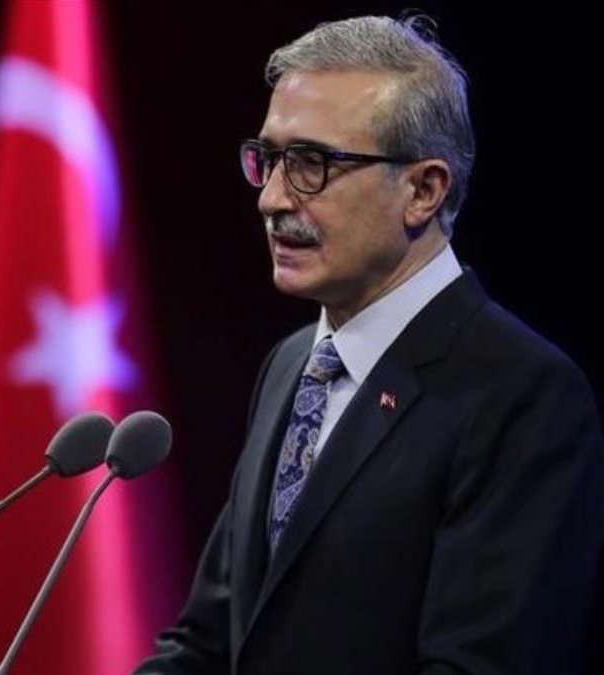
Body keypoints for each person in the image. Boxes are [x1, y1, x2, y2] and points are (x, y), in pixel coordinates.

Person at [135, 15, 604, 674]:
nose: (272, 199)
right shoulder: (291, 365)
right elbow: (208, 642)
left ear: (423, 190)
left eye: (311, 164)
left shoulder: (522, 394)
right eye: (269, 159)